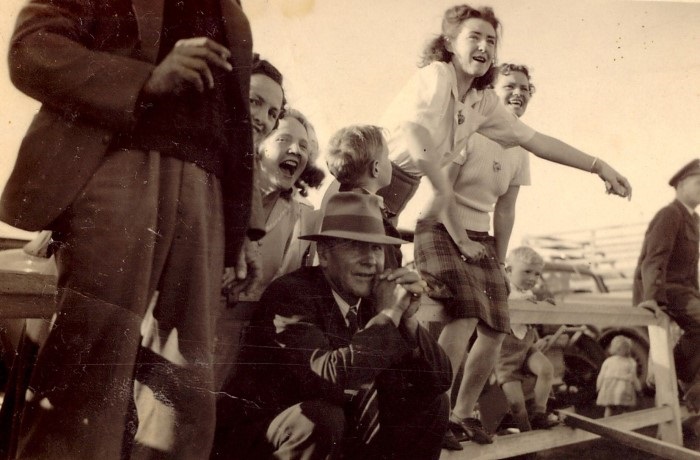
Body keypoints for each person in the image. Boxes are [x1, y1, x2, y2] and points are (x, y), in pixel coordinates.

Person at [0, 1, 256, 458]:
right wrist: (145, 80)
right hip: (123, 170)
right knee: (89, 380)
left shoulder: (232, 9)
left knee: (184, 395)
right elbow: (30, 49)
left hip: (206, 194)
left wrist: (240, 236)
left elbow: (235, 125)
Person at [211, 192, 452, 460]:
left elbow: (440, 379)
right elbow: (328, 379)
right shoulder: (292, 294)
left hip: (334, 438)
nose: (370, 260)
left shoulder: (374, 297)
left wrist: (408, 319)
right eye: (354, 246)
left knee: (434, 403)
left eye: (375, 248)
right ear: (324, 255)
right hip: (266, 438)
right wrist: (390, 311)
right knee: (322, 419)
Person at [214, 108, 324, 388]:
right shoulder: (217, 192)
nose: (297, 151)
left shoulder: (301, 216)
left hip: (247, 349)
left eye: (303, 146)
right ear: (259, 144)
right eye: (285, 139)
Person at [633, 159, 700, 407]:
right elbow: (654, 259)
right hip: (664, 290)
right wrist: (650, 298)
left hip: (683, 292)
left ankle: (689, 391)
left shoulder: (694, 220)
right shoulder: (670, 214)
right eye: (698, 182)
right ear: (681, 184)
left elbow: (692, 267)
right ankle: (671, 373)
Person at [495, 246, 559, 432]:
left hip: (525, 348)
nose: (532, 278)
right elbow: (501, 306)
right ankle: (526, 432)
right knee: (516, 404)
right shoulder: (502, 289)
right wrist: (522, 304)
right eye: (527, 272)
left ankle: (540, 413)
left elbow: (532, 316)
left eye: (537, 274)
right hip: (505, 354)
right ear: (508, 271)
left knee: (547, 369)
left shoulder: (529, 294)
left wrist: (543, 306)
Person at [325, 124, 402, 269]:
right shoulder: (371, 216)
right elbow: (389, 266)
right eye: (387, 156)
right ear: (376, 168)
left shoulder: (339, 205)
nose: (390, 162)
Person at [596, 335, 642, 417]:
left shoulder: (608, 361)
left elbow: (601, 375)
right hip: (624, 389)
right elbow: (634, 378)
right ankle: (626, 424)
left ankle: (606, 424)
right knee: (625, 409)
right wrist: (638, 389)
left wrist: (598, 386)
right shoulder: (630, 362)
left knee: (609, 408)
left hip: (610, 388)